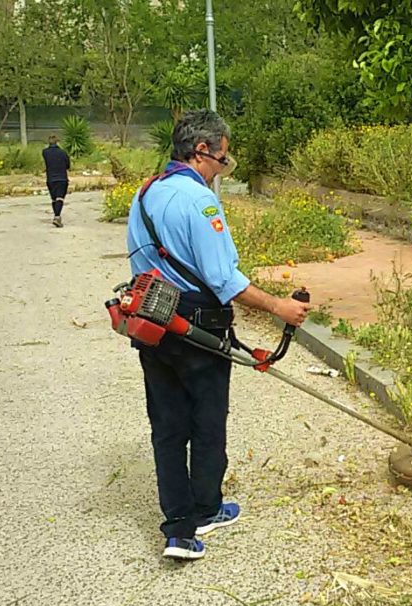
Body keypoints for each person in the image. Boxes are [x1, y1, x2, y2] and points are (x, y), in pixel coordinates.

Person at [125, 109, 310, 560]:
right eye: (223, 158)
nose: (224, 168)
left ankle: (177, 527)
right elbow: (224, 279)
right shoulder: (199, 201)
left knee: (167, 427)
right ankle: (206, 508)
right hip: (196, 323)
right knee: (207, 423)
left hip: (151, 317)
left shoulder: (145, 194)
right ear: (202, 151)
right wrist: (278, 307)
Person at [42, 135, 70, 228]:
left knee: (54, 199)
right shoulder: (63, 153)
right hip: (62, 178)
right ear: (58, 142)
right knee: (60, 198)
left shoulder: (45, 152)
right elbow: (68, 165)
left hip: (50, 179)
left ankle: (56, 216)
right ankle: (57, 217)